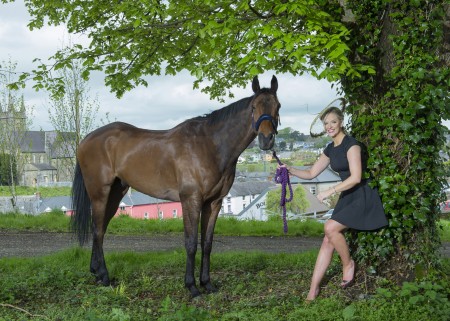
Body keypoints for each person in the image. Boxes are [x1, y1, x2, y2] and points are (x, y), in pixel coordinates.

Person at [281, 106, 388, 301]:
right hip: (347, 195)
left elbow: (356, 178)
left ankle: (348, 264)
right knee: (327, 239)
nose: (329, 126)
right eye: (326, 123)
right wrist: (291, 170)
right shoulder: (330, 148)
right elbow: (312, 173)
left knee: (329, 227)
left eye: (333, 122)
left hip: (362, 194)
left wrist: (330, 190)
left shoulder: (352, 145)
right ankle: (313, 291)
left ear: (341, 122)